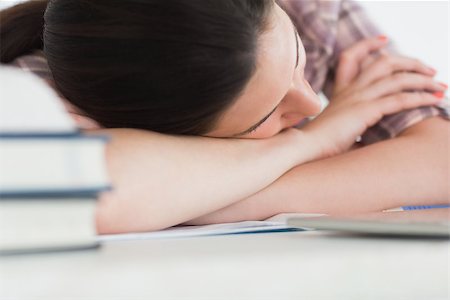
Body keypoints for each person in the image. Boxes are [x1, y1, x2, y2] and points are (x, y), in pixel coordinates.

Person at [1, 0, 448, 234]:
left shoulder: (300, 7)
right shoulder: (32, 88)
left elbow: (440, 159)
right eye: (266, 117)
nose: (314, 106)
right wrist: (310, 143)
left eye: (299, 56)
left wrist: (194, 198)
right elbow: (99, 195)